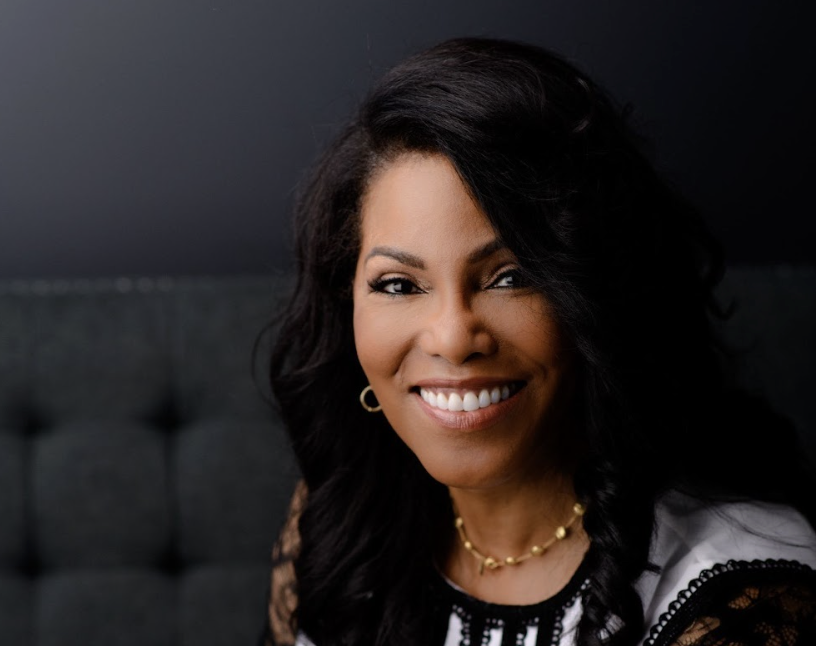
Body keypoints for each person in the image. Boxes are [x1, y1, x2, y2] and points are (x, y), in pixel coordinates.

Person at [261, 37, 816, 646]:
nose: (453, 337)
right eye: (398, 284)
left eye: (511, 277)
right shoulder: (340, 520)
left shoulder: (743, 595)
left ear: (596, 295)